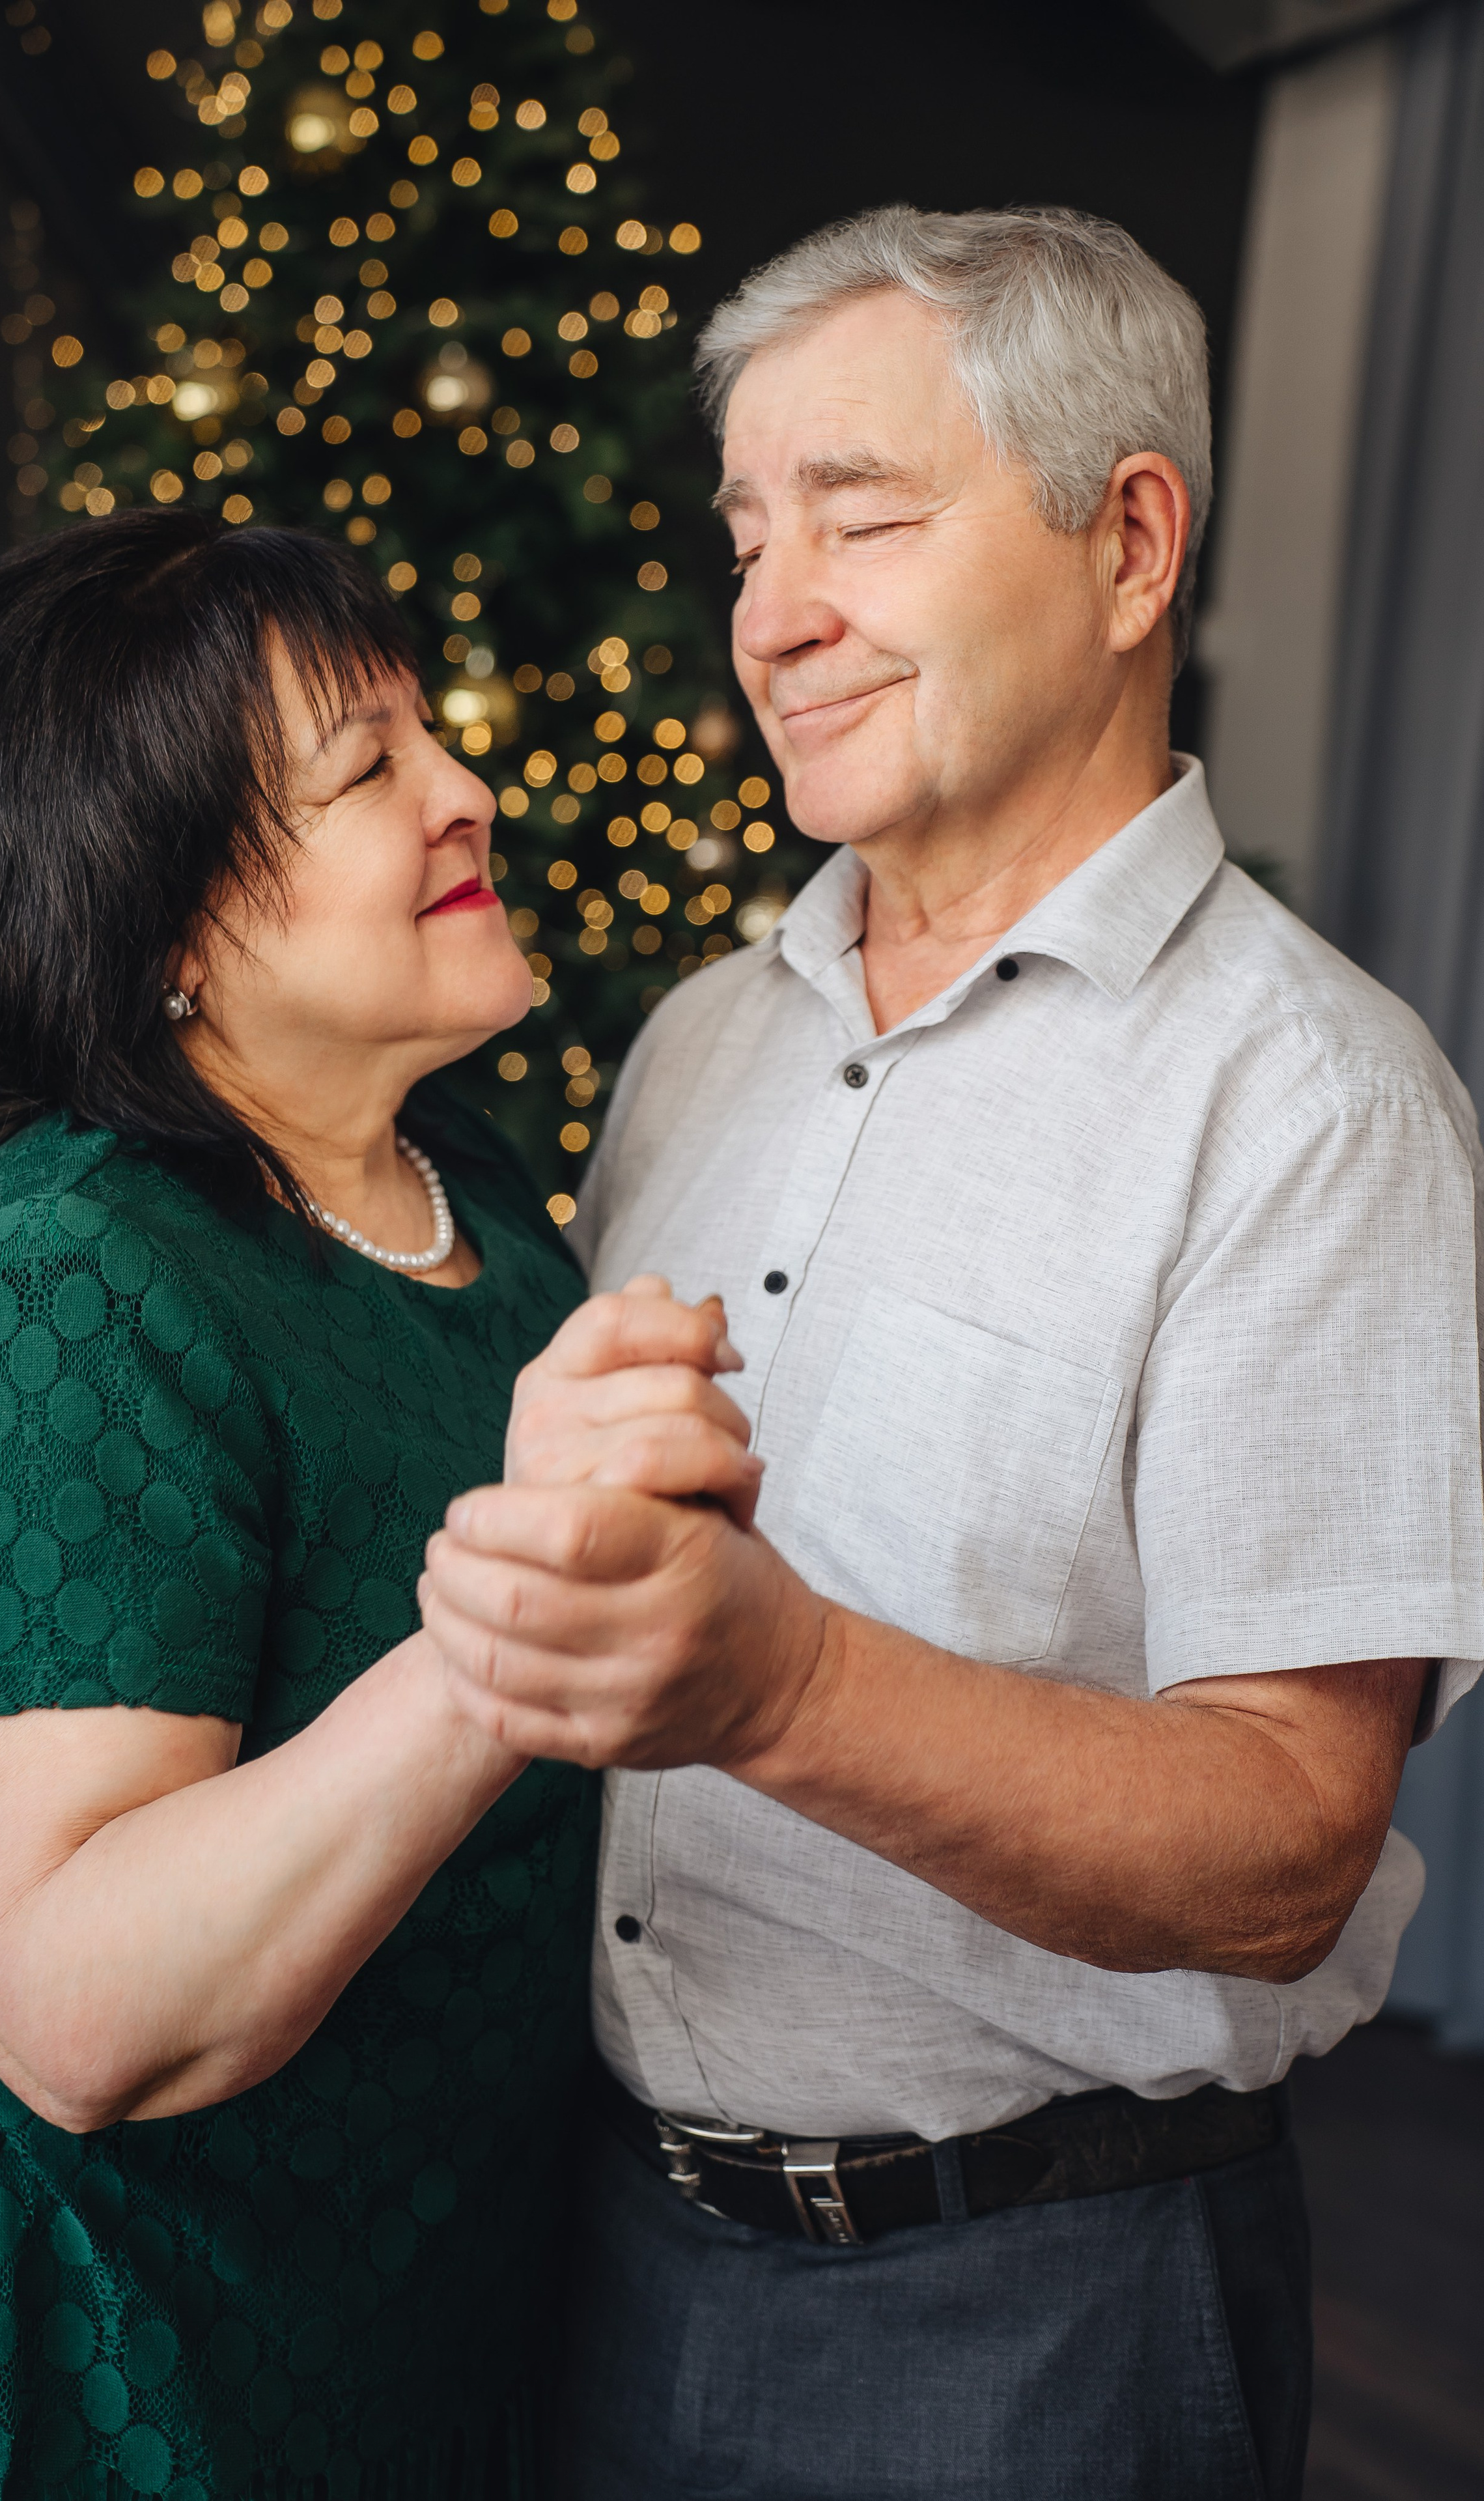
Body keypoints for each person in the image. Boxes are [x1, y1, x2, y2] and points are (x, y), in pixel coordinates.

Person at [415, 207, 1484, 2501]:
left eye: (863, 519)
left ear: (1129, 544)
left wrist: (779, 1687)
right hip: (594, 2237)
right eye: (745, 532)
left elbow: (1291, 1840)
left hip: (1039, 2321)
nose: (770, 611)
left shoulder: (1314, 1102)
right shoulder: (701, 1040)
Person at [0, 510, 613, 2500]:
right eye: (369, 771)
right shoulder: (65, 1291)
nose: (468, 791)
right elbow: (87, 2015)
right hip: (113, 2404)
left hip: (411, 2342)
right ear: (162, 921)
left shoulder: (481, 1207)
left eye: (431, 733)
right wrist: (528, 1611)